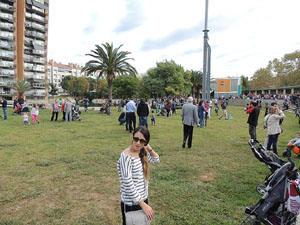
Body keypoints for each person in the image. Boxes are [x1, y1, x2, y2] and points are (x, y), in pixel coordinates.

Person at [117, 127, 159, 225]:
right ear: (132, 137)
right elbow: (127, 183)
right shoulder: (126, 156)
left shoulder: (142, 151)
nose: (138, 143)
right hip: (131, 203)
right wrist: (142, 204)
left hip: (143, 198)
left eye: (142, 141)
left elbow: (156, 159)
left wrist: (148, 148)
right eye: (136, 139)